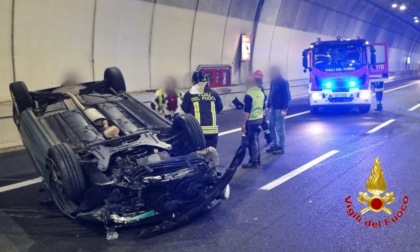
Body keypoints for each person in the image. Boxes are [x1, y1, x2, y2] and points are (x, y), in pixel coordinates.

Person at [182, 71, 223, 148]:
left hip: (197, 131)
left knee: (198, 154)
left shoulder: (189, 95)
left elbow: (185, 110)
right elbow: (219, 108)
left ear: (194, 81)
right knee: (211, 153)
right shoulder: (214, 93)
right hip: (213, 131)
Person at [266, 67, 291, 155]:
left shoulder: (283, 82)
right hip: (273, 108)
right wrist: (268, 106)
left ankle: (281, 147)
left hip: (280, 109)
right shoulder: (273, 81)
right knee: (271, 127)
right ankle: (274, 145)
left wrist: (285, 109)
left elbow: (287, 97)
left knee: (280, 128)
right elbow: (270, 94)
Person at [241, 77, 265, 168]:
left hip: (251, 120)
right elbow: (262, 106)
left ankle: (253, 161)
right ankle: (258, 159)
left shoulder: (249, 95)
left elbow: (247, 111)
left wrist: (243, 123)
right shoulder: (261, 92)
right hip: (260, 119)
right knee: (256, 139)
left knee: (251, 141)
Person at [253, 70, 271, 144]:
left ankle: (252, 138)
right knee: (264, 124)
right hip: (261, 108)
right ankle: (268, 137)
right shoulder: (261, 87)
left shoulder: (255, 87)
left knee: (253, 124)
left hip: (256, 109)